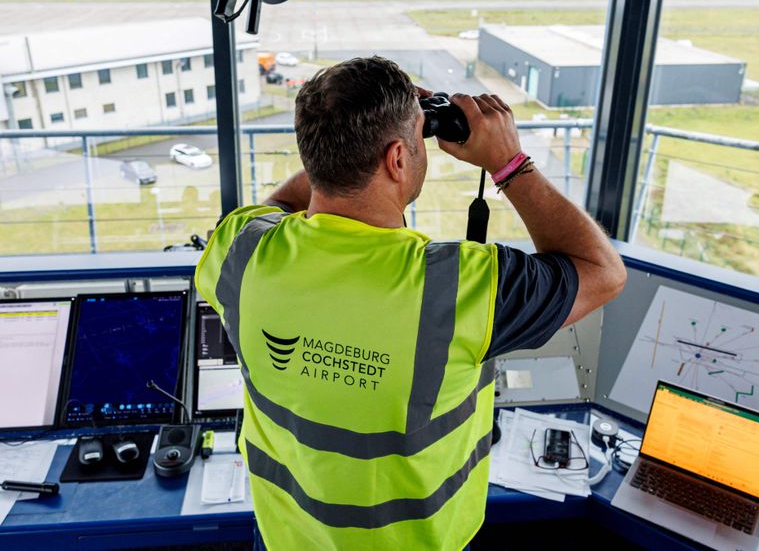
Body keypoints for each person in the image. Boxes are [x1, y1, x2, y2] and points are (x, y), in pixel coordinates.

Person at [194, 56, 626, 550]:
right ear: (398, 158)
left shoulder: (241, 251)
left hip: (284, 540)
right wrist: (508, 163)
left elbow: (280, 207)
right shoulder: (461, 286)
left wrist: (343, 141)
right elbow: (603, 271)